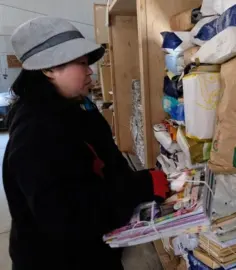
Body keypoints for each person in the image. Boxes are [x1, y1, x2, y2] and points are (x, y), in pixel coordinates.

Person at [3, 17, 170, 270]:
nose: (90, 70)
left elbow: (99, 168)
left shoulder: (69, 109)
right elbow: (68, 216)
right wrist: (142, 186)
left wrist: (139, 182)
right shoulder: (36, 131)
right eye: (81, 63)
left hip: (88, 251)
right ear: (48, 69)